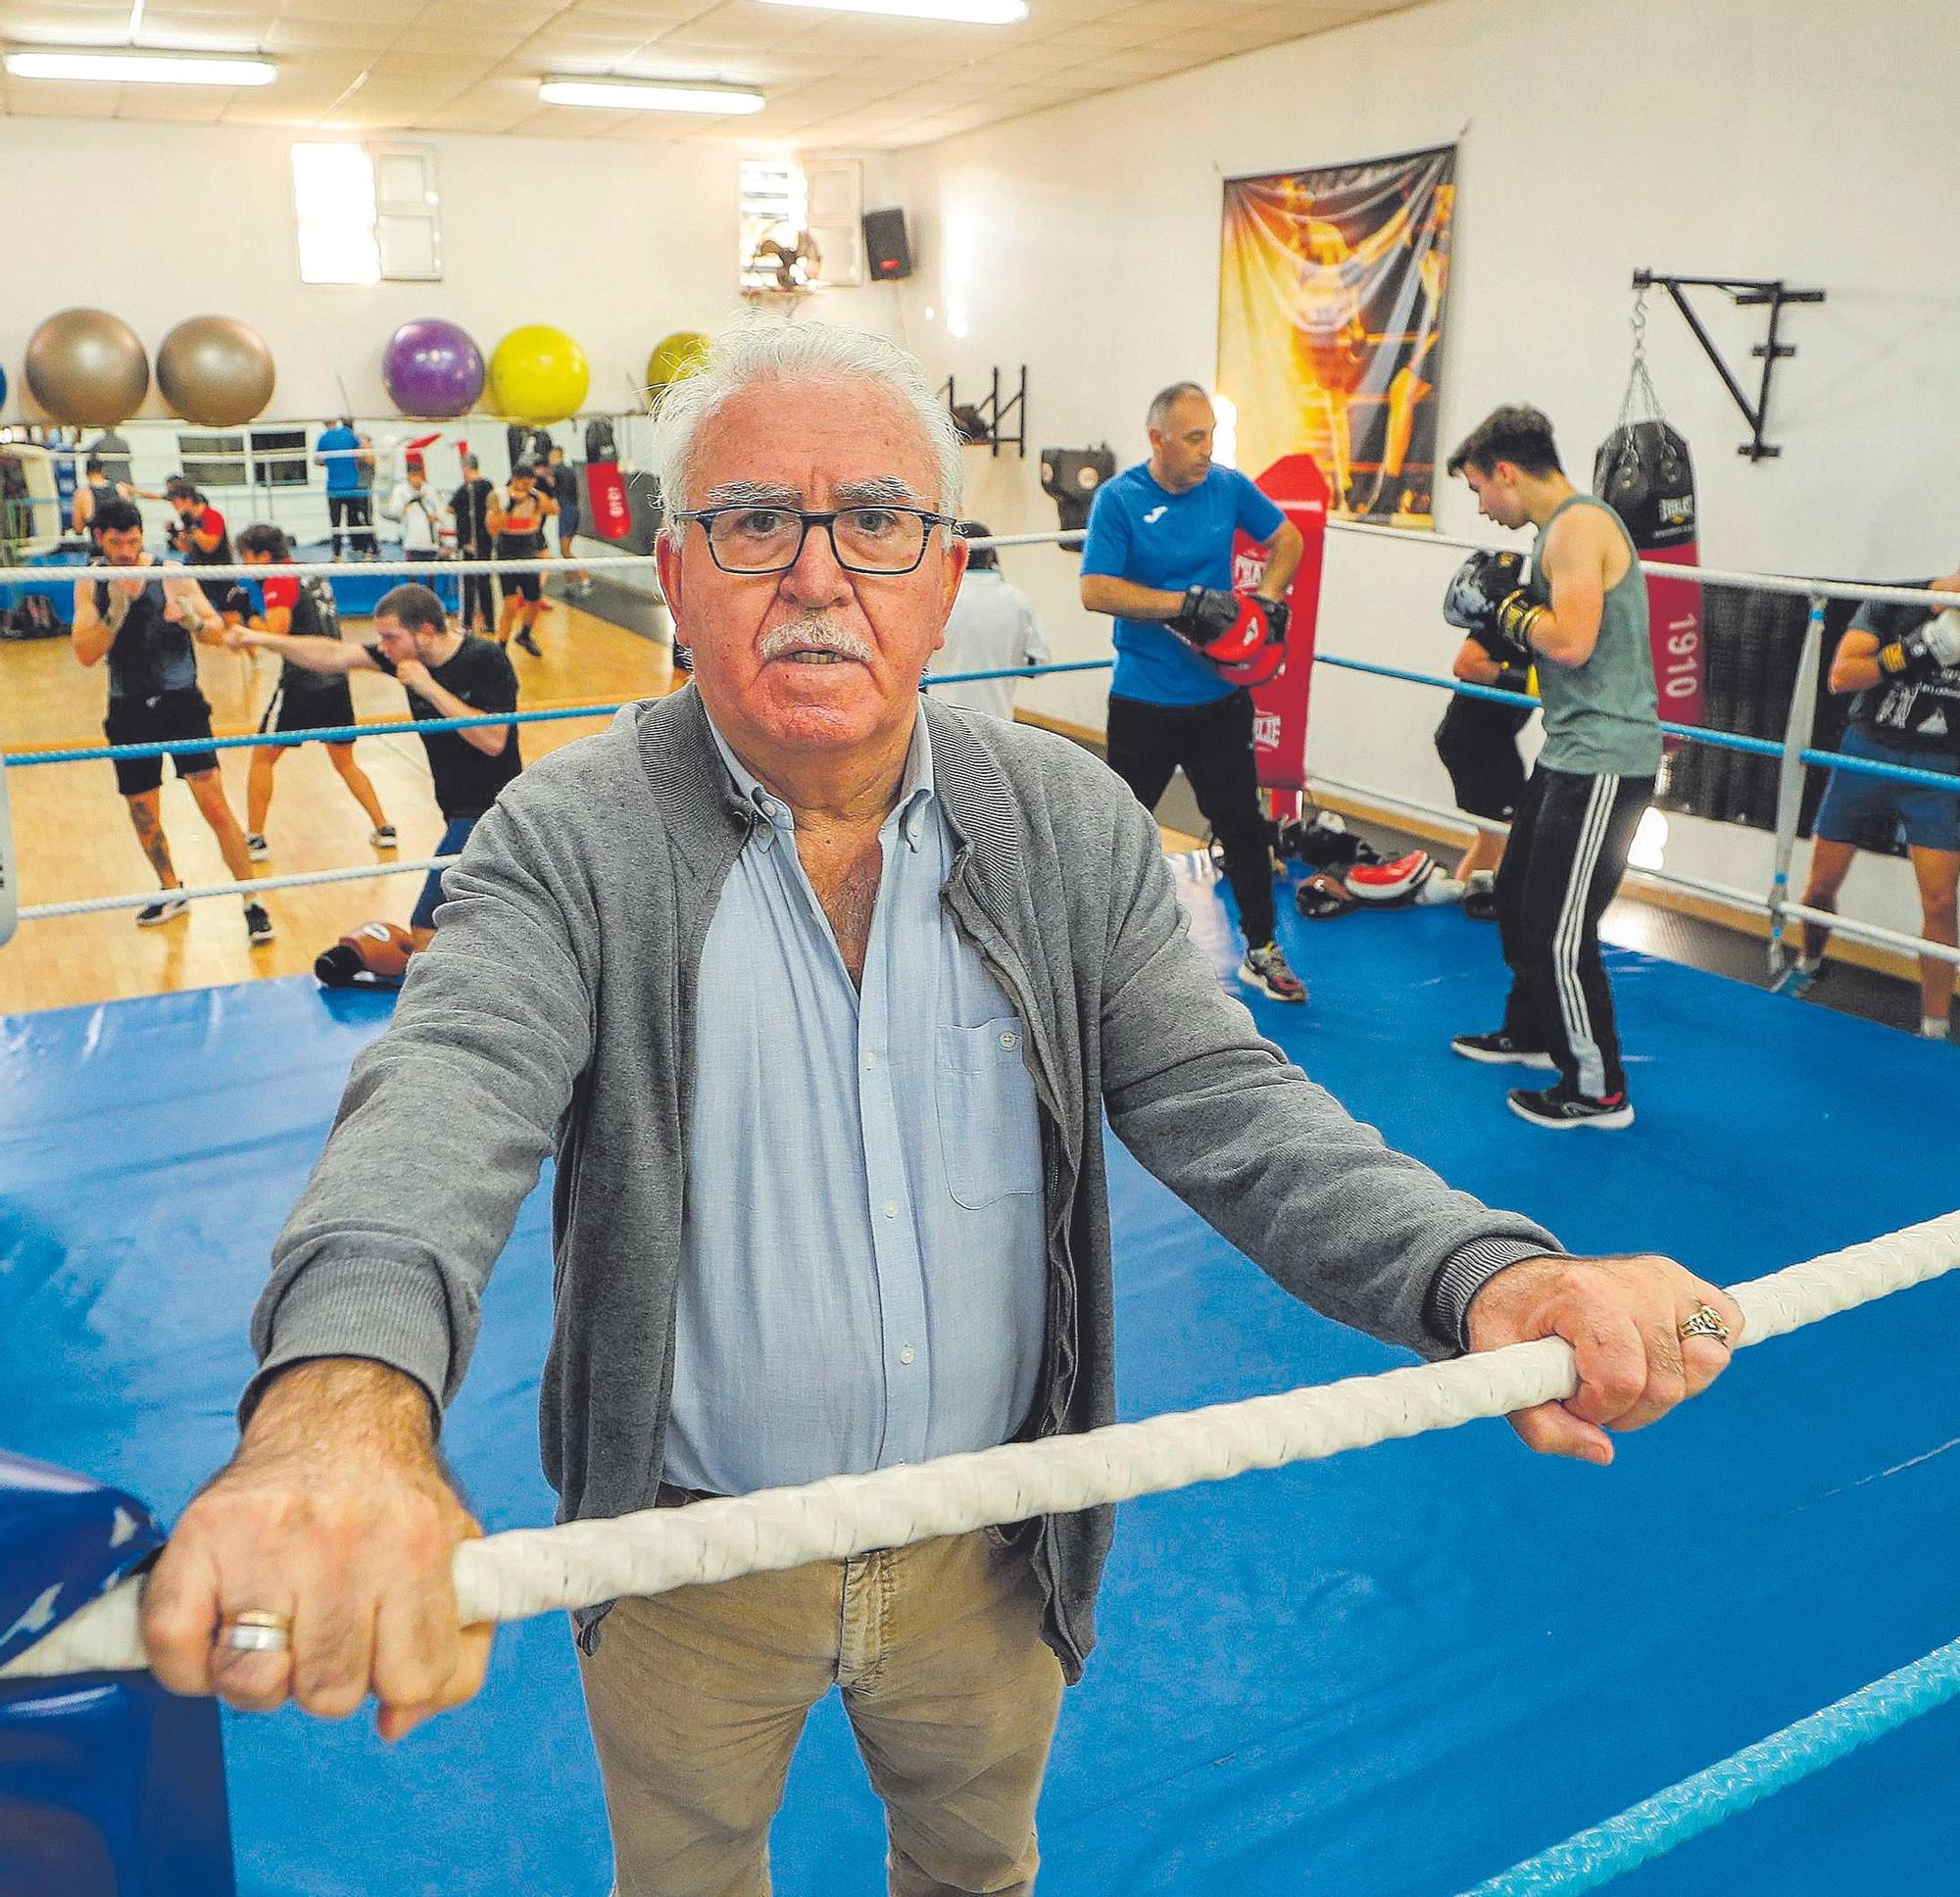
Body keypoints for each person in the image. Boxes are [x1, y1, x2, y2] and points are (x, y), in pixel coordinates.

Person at [143, 323, 1742, 1897]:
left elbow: (1229, 1102)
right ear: (676, 572)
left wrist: (1494, 1274)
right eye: (758, 522)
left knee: (977, 1872)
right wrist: (342, 1404)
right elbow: (436, 1109)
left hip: (996, 1536)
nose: (820, 575)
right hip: (681, 1558)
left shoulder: (1060, 822)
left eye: (876, 523)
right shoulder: (570, 838)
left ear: (945, 570)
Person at [1445, 405, 1661, 1129]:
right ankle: (1535, 1031)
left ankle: (1598, 1091)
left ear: (1506, 471)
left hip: (1607, 758)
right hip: (1570, 750)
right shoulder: (1556, 534)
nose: (1481, 507)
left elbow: (1569, 642)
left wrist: (1506, 611)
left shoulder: (1578, 526)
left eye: (1480, 489)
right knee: (1515, 897)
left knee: (1562, 934)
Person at [1079, 380, 1308, 1003]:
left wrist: (1268, 597)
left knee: (1242, 824)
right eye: (1195, 437)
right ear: (1158, 440)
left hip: (1218, 699)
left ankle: (1261, 947)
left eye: (1212, 435)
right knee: (1121, 833)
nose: (1208, 449)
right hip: (1144, 701)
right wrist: (1185, 603)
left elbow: (1287, 539)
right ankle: (1092, 957)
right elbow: (1096, 589)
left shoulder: (1228, 488)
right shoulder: (1120, 500)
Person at [228, 581, 519, 949]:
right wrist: (260, 639)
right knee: (480, 924)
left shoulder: (484, 658)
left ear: (426, 632)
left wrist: (428, 687)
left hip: (490, 813)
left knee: (426, 929)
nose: (382, 647)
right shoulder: (406, 658)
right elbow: (333, 655)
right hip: (456, 810)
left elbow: (493, 741)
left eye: (390, 637)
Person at [69, 498, 273, 944]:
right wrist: (115, 612)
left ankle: (251, 901)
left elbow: (219, 633)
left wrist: (194, 622)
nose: (126, 550)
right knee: (143, 811)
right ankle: (171, 889)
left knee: (214, 803)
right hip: (127, 708)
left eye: (133, 541)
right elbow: (85, 653)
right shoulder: (91, 582)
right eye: (117, 542)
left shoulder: (170, 571)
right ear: (100, 540)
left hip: (181, 703)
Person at [1776, 569, 1960, 1041]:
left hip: (1938, 768)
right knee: (1820, 886)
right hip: (1868, 751)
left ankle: (1934, 1026)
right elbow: (1842, 675)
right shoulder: (1891, 597)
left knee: (1940, 904)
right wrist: (1921, 645)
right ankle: (1808, 963)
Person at [227, 522, 397, 862]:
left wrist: (246, 618)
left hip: (302, 681)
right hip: (336, 678)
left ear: (263, 556)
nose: (243, 566)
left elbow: (277, 637)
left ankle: (256, 838)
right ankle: (384, 827)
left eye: (246, 558)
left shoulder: (278, 579)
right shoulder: (312, 572)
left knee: (262, 757)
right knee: (345, 761)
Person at [1437, 547, 1540, 914]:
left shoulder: (1546, 624)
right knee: (1504, 833)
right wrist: (1530, 682)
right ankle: (1473, 902)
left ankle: (1462, 898)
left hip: (1491, 739)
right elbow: (1466, 664)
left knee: (1499, 834)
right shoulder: (1508, 617)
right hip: (1476, 741)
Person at [925, 519, 1050, 719]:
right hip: (996, 719)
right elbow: (1038, 664)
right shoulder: (1017, 600)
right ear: (991, 553)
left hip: (941, 719)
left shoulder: (938, 598)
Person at [489, 460, 556, 655]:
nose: (528, 487)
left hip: (528, 550)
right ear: (515, 480)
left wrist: (539, 499)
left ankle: (525, 634)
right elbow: (493, 527)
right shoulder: (499, 496)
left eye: (531, 483)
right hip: (507, 551)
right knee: (510, 604)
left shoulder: (534, 495)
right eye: (524, 483)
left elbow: (553, 510)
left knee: (534, 600)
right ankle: (500, 647)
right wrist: (510, 507)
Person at [164, 478, 235, 612]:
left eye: (175, 501)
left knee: (226, 616)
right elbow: (185, 548)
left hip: (220, 575)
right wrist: (174, 534)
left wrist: (193, 528)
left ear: (188, 499)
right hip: (198, 573)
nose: (173, 505)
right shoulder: (188, 519)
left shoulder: (213, 516)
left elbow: (209, 547)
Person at [449, 454, 497, 634]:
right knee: (485, 582)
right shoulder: (489, 485)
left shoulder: (465, 489)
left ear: (466, 469)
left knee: (469, 583)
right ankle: (490, 622)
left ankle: (467, 623)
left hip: (470, 542)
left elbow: (450, 508)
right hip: (486, 541)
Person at [315, 416, 376, 558]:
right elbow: (360, 455)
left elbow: (318, 460)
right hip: (352, 485)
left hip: (334, 487)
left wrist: (332, 462)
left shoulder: (323, 438)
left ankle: (337, 554)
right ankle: (366, 550)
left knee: (336, 523)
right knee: (355, 519)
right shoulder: (350, 436)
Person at [545, 443, 591, 595]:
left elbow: (550, 484)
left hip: (567, 511)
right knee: (563, 550)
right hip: (572, 510)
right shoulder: (569, 470)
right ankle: (570, 583)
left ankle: (585, 579)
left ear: (556, 456)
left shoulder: (557, 471)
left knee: (565, 550)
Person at [383, 455, 444, 566]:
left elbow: (441, 513)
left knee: (431, 575)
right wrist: (407, 505)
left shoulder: (430, 490)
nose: (416, 479)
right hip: (411, 541)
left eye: (419, 475)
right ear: (408, 475)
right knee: (412, 575)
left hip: (430, 542)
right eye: (413, 475)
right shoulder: (400, 491)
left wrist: (435, 517)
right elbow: (394, 511)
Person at [71, 456, 121, 542]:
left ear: (86, 473)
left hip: (98, 548)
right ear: (103, 472)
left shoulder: (82, 494)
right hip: (121, 548)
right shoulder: (120, 489)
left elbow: (78, 529)